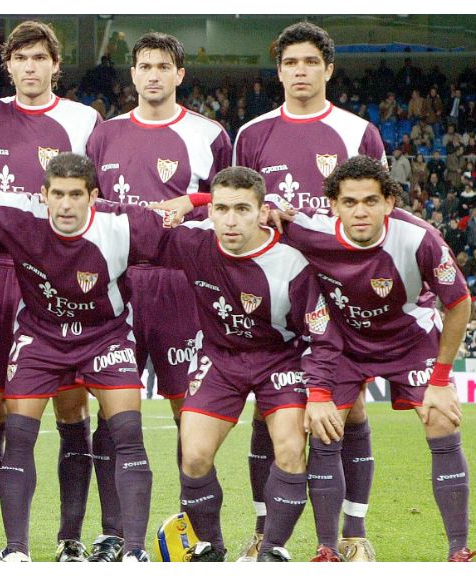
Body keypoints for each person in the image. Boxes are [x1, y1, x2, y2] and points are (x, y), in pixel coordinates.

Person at [0, 152, 195, 562]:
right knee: (18, 439)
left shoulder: (123, 223)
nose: (65, 205)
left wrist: (198, 199)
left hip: (104, 337)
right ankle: (16, 552)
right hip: (41, 338)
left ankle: (134, 552)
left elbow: (202, 231)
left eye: (75, 195)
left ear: (94, 196)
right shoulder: (19, 217)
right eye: (57, 195)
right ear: (43, 195)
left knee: (128, 436)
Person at [230, 20, 385, 561]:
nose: (300, 71)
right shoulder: (252, 134)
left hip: (340, 289)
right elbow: (235, 211)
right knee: (265, 408)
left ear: (328, 69)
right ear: (279, 71)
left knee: (350, 408)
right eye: (290, 63)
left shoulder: (356, 131)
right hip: (271, 288)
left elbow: (378, 212)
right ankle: (261, 531)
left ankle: (353, 537)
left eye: (310, 62)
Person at [277, 155, 475, 562]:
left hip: (409, 342)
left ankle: (458, 551)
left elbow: (459, 303)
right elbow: (249, 213)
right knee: (327, 425)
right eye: (349, 202)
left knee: (440, 418)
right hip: (344, 346)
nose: (360, 211)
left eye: (370, 200)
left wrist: (440, 381)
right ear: (333, 205)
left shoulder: (420, 238)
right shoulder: (309, 229)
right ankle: (330, 548)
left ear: (389, 202)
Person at [85, 31, 231, 560]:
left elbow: (233, 198)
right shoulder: (105, 135)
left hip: (180, 285)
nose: (152, 75)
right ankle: (113, 535)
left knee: (186, 413)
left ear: (179, 74)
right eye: (144, 66)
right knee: (112, 413)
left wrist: (187, 199)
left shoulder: (208, 134)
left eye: (163, 66)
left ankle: (201, 537)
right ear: (132, 74)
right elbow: (88, 201)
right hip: (115, 284)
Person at [0, 20, 101, 562]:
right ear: (9, 65)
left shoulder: (83, 120)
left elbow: (96, 198)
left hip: (62, 274)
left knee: (71, 405)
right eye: (19, 57)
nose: (29, 66)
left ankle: (70, 537)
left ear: (54, 65)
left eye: (38, 57)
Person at [163, 166, 339, 563]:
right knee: (192, 453)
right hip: (220, 358)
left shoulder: (292, 263)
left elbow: (323, 336)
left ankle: (272, 550)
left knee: (291, 449)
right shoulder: (193, 243)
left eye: (242, 209)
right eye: (221, 208)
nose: (230, 219)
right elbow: (129, 218)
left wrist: (320, 392)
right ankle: (211, 547)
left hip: (280, 360)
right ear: (210, 211)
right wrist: (190, 200)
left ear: (263, 212)